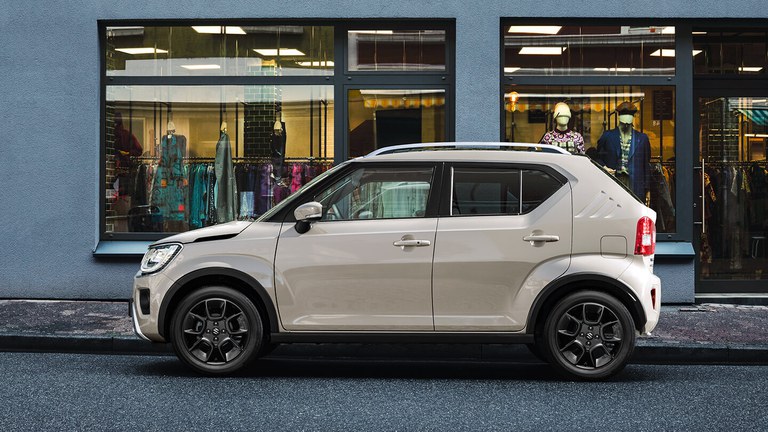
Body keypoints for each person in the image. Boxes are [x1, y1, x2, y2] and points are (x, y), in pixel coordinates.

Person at [597, 101, 651, 205]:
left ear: (632, 118)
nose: (626, 123)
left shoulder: (642, 139)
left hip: (636, 184)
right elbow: (597, 158)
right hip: (613, 182)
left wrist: (647, 190)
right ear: (619, 117)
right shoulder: (607, 136)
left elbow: (646, 165)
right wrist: (603, 167)